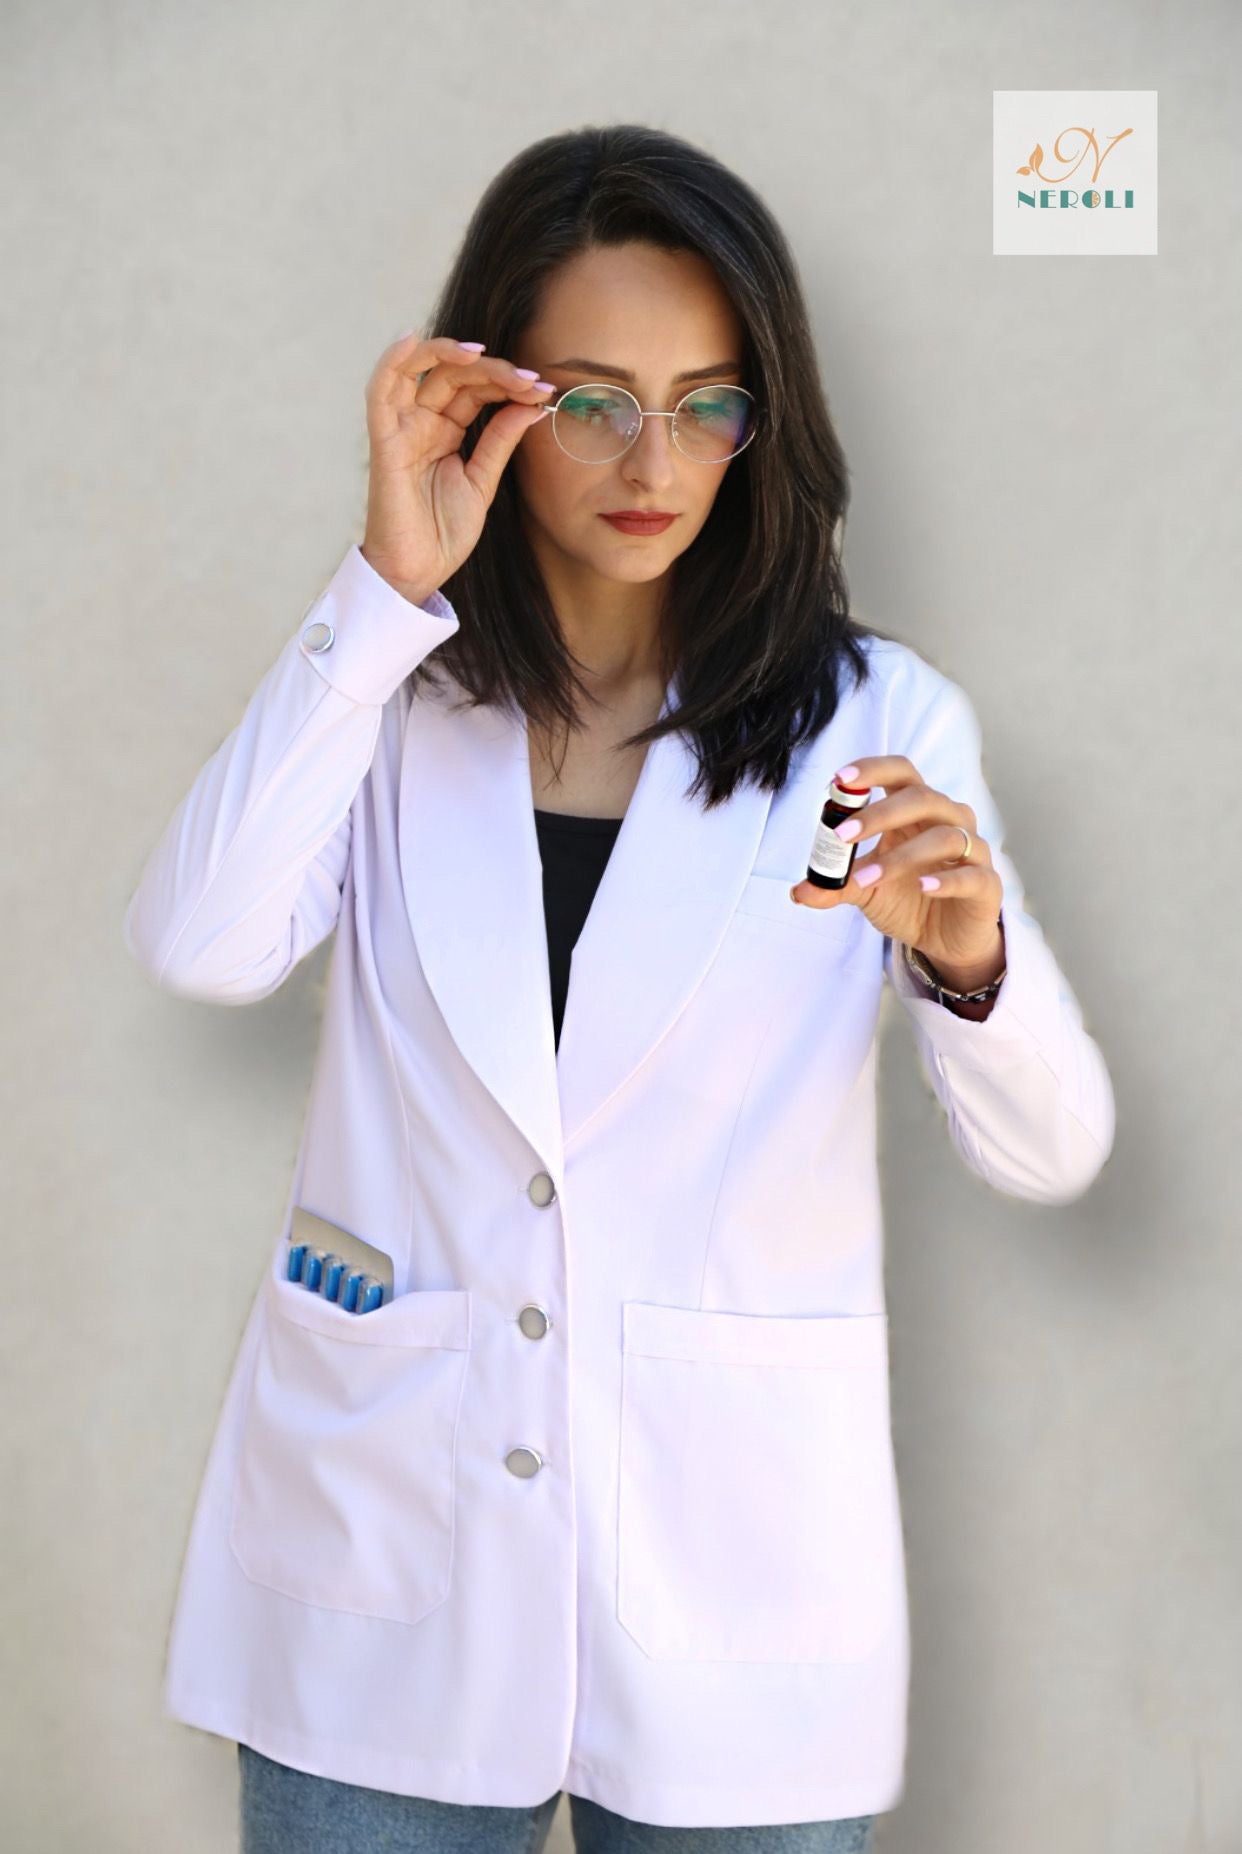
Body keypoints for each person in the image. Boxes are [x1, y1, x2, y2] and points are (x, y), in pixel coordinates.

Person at [123, 124, 1116, 1853]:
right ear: (489, 405)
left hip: (729, 1561)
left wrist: (970, 966)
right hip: (386, 1542)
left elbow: (1053, 1152)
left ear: (766, 419)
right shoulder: (388, 702)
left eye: (708, 401)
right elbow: (197, 943)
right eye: (590, 398)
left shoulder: (879, 721)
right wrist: (380, 598)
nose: (655, 456)